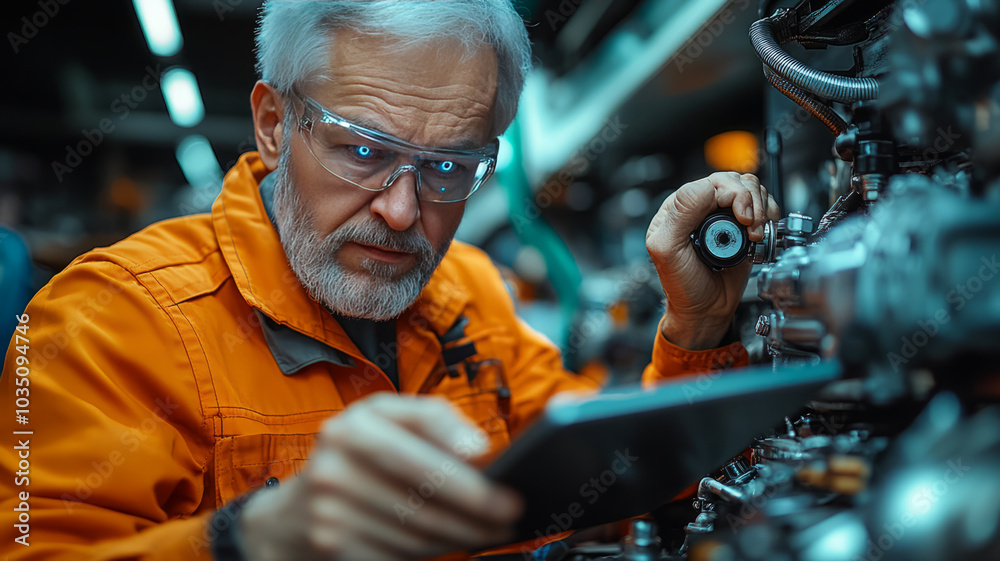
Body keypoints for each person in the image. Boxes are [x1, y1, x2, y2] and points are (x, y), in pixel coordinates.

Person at [0, 1, 778, 560]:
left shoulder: (470, 291)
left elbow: (606, 487)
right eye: (364, 152)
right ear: (274, 124)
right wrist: (251, 542)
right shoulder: (106, 322)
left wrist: (696, 330)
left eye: (448, 168)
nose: (404, 212)